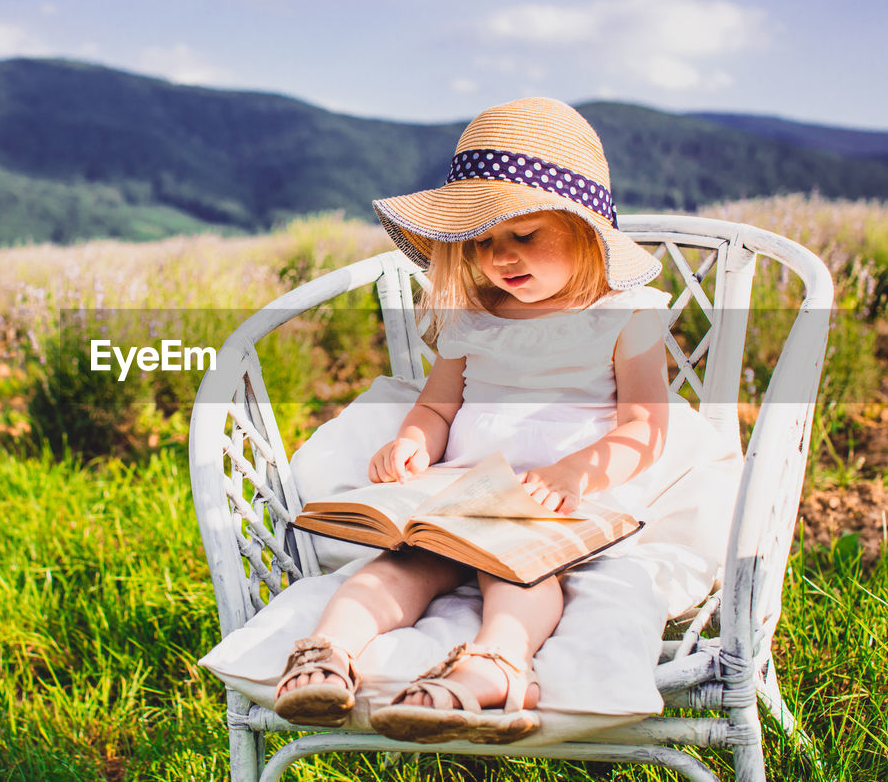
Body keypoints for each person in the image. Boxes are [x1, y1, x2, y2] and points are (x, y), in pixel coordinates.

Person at [271, 96, 673, 744]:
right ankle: (328, 654)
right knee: (399, 565)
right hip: (463, 486)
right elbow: (438, 403)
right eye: (483, 241)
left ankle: (496, 664)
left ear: (586, 230)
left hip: (556, 494)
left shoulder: (627, 314)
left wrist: (575, 470)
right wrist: (412, 439)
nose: (501, 257)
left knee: (514, 569)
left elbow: (646, 426)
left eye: (522, 234)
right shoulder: (472, 319)